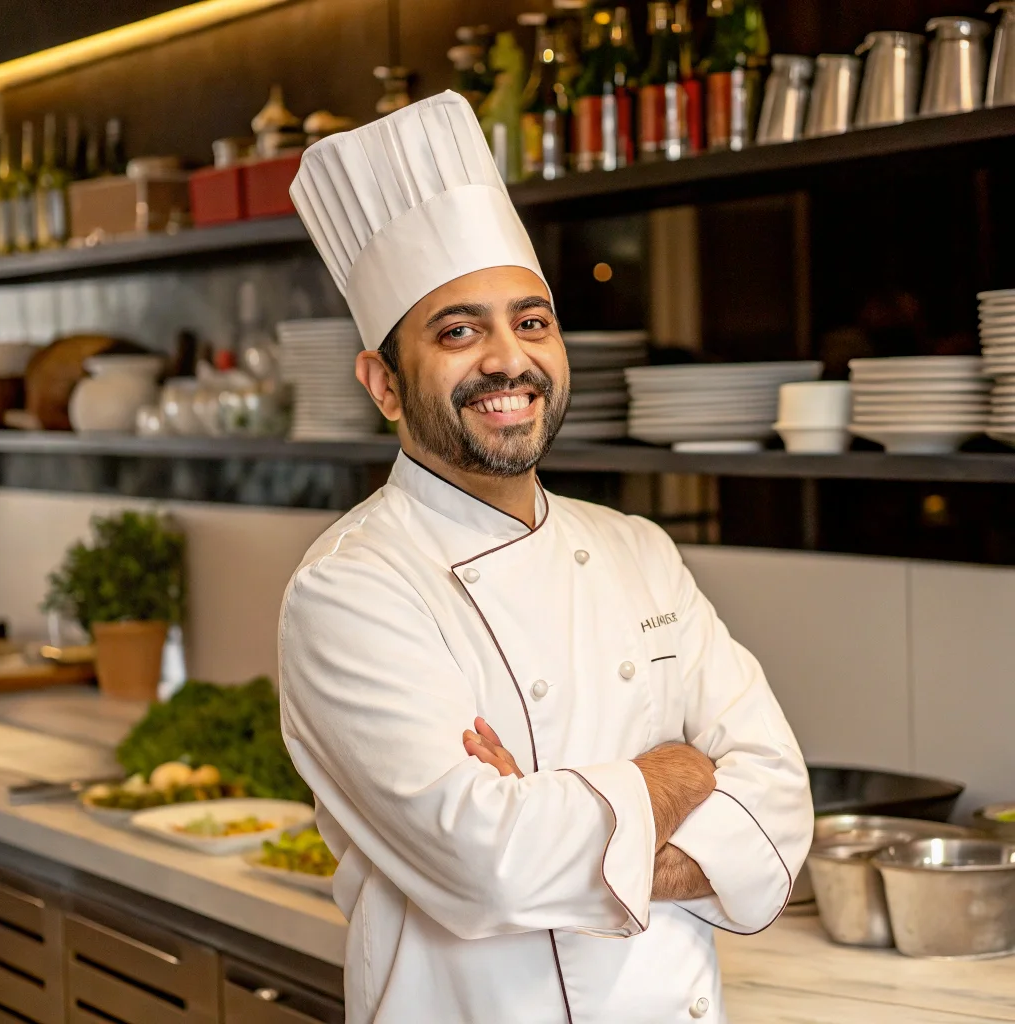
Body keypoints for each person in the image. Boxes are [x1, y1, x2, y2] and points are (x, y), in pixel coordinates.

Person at [280, 90, 813, 1024]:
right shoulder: (350, 590)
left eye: (532, 322)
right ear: (383, 385)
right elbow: (488, 867)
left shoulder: (638, 551)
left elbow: (781, 805)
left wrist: (554, 821)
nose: (507, 359)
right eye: (457, 331)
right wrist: (676, 776)